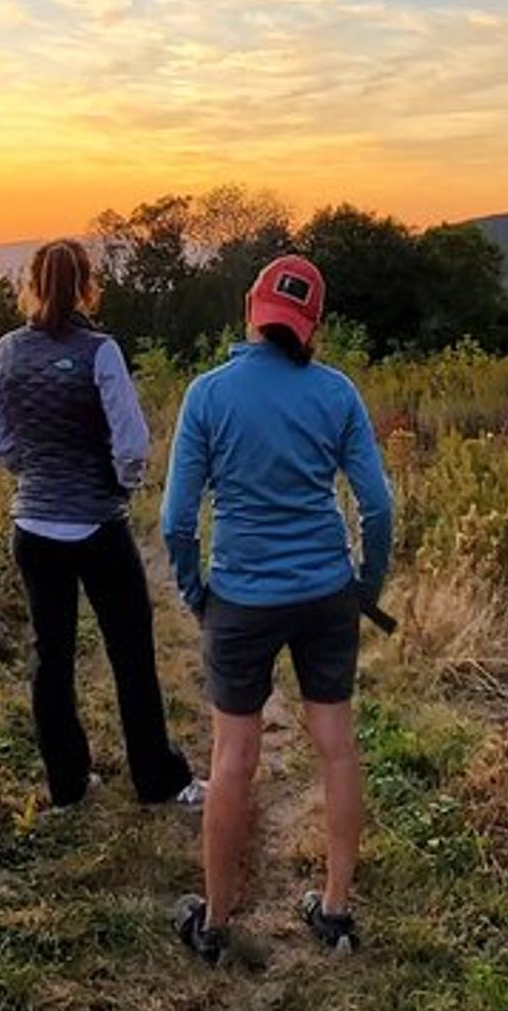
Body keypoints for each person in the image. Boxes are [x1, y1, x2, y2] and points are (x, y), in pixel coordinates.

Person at [162, 255, 394, 966]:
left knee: (232, 759)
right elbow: (377, 506)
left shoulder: (207, 394)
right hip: (326, 593)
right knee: (337, 745)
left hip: (241, 598)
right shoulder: (337, 392)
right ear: (311, 325)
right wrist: (365, 585)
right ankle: (335, 908)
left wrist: (197, 592)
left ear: (250, 310)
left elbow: (177, 521)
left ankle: (217, 923)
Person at [0, 238, 204, 813]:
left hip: (32, 526)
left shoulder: (3, 353)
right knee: (130, 651)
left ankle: (68, 785)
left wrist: (34, 474)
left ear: (30, 282)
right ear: (86, 284)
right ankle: (156, 777)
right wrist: (119, 485)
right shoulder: (99, 352)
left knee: (49, 657)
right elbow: (131, 442)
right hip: (97, 527)